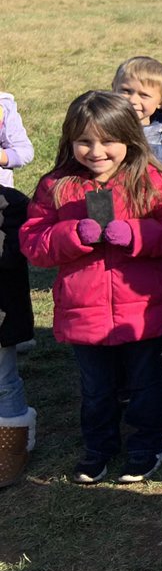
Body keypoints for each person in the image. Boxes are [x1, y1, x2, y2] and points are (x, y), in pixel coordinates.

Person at [20, 91, 162, 484]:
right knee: (97, 390)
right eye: (85, 141)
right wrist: (72, 234)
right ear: (70, 140)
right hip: (84, 312)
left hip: (141, 311)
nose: (96, 151)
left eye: (108, 141)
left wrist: (136, 233)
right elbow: (34, 243)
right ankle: (99, 447)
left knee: (145, 384)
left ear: (129, 138)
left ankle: (148, 442)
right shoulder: (57, 186)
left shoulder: (153, 180)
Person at [112, 56, 162, 398]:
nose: (133, 100)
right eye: (125, 90)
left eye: (144, 94)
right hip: (115, 234)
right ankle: (125, 366)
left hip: (158, 234)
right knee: (122, 298)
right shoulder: (103, 133)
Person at [0, 184, 36, 487]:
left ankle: (12, 446)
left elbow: (14, 256)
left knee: (3, 383)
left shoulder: (10, 204)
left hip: (1, 315)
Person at [0, 88, 35, 355]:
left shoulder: (3, 106)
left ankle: (15, 332)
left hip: (2, 206)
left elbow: (24, 152)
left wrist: (2, 157)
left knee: (7, 272)